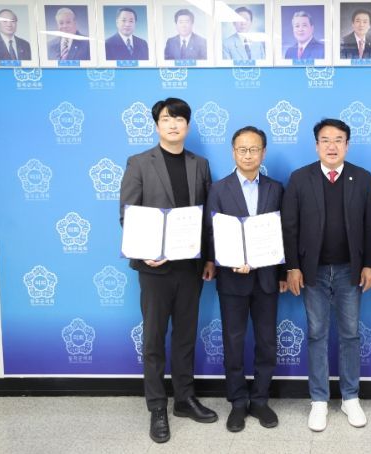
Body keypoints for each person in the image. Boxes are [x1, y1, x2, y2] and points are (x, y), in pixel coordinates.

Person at [119, 98, 218, 444]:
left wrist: (209, 259)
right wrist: (146, 251)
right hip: (155, 270)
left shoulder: (200, 164)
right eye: (166, 119)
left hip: (190, 267)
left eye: (179, 119)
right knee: (154, 338)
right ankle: (157, 406)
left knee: (186, 336)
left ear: (187, 126)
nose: (173, 124)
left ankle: (184, 399)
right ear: (157, 125)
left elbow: (207, 217)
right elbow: (128, 214)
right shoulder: (138, 163)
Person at [281, 119, 371, 432]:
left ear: (347, 145)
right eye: (325, 140)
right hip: (313, 271)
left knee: (350, 333)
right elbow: (289, 226)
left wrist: (370, 264)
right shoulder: (300, 178)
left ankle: (350, 397)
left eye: (338, 140)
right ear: (316, 146)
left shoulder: (362, 178)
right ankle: (319, 400)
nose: (332, 146)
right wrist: (292, 267)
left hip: (351, 270)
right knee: (317, 333)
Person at [205, 126, 286, 432]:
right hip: (232, 279)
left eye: (254, 149)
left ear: (263, 153)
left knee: (266, 341)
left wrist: (282, 273)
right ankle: (238, 402)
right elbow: (212, 232)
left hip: (267, 279)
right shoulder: (218, 189)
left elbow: (284, 233)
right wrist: (227, 261)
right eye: (242, 149)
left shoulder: (276, 189)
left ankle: (261, 399)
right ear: (233, 152)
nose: (248, 155)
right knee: (233, 341)